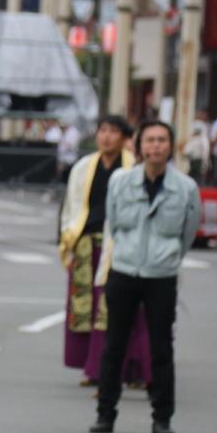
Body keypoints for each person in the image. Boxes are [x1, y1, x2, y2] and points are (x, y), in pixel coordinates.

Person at [90, 121, 201, 433]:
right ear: (139, 146)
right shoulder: (120, 182)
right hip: (124, 270)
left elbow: (188, 232)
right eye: (149, 140)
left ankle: (162, 417)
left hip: (161, 275)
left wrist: (169, 257)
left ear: (170, 146)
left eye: (162, 140)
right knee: (114, 346)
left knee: (161, 347)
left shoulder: (186, 188)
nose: (155, 146)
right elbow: (114, 221)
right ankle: (105, 414)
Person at [58, 115, 151, 389]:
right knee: (85, 308)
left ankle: (132, 367)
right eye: (102, 131)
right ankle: (92, 366)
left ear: (124, 138)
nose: (106, 137)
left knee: (118, 309)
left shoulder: (133, 169)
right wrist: (67, 241)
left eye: (113, 132)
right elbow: (70, 207)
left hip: (119, 246)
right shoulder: (83, 167)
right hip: (86, 243)